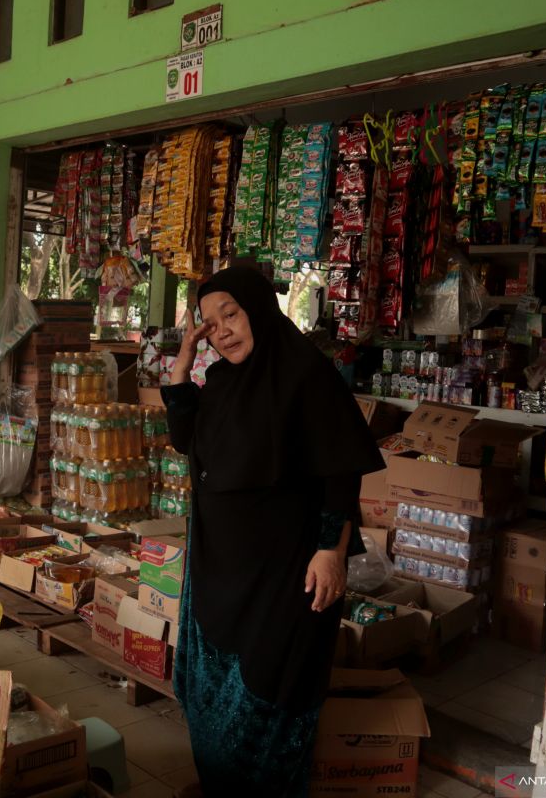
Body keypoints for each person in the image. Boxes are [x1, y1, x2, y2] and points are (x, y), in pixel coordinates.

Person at [161, 266, 383, 796]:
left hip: (285, 573)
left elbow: (340, 470)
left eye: (231, 315)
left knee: (269, 695)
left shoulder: (306, 375)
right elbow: (183, 439)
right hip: (220, 569)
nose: (223, 331)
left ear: (259, 308)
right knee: (205, 693)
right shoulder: (221, 383)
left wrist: (331, 549)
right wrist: (181, 371)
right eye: (210, 325)